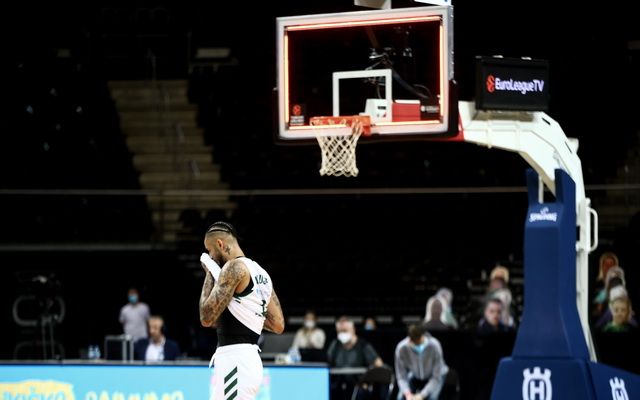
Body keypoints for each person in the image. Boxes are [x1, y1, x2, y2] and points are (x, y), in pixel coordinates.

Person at [199, 221, 285, 400]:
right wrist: (245, 315)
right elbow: (277, 324)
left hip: (235, 360)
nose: (210, 255)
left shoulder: (233, 267)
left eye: (210, 250)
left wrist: (209, 271)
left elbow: (206, 317)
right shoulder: (261, 273)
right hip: (247, 360)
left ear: (220, 244)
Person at [327, 316, 383, 400]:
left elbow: (379, 364)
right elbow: (326, 362)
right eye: (339, 331)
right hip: (339, 387)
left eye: (345, 331)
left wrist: (367, 382)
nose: (342, 334)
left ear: (353, 330)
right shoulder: (335, 345)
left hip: (359, 387)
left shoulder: (363, 345)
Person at [395, 324, 449, 400]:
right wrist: (407, 394)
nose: (418, 345)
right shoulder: (401, 348)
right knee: (400, 397)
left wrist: (422, 395)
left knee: (432, 398)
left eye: (419, 342)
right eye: (415, 343)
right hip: (416, 375)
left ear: (423, 336)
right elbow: (401, 376)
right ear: (410, 340)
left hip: (436, 376)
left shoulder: (434, 346)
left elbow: (436, 377)